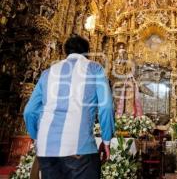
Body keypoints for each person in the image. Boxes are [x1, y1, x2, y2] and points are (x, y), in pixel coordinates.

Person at [23, 34, 115, 179]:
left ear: (66, 51)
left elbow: (29, 111)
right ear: (87, 52)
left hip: (46, 150)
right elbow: (106, 107)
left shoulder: (48, 73)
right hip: (79, 148)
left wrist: (37, 138)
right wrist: (106, 140)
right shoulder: (95, 69)